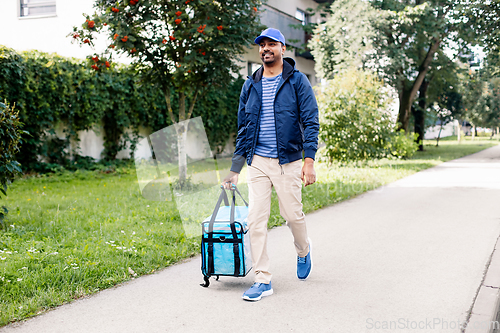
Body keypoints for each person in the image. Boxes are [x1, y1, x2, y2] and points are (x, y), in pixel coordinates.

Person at [222, 28, 319, 301]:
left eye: (271, 44)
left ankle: (303, 250)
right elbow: (244, 129)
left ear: (283, 49)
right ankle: (262, 279)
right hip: (258, 163)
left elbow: (311, 121)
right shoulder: (249, 85)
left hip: (288, 161)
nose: (266, 49)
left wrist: (308, 161)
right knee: (256, 220)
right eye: (262, 45)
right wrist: (235, 169)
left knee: (292, 216)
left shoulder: (298, 81)